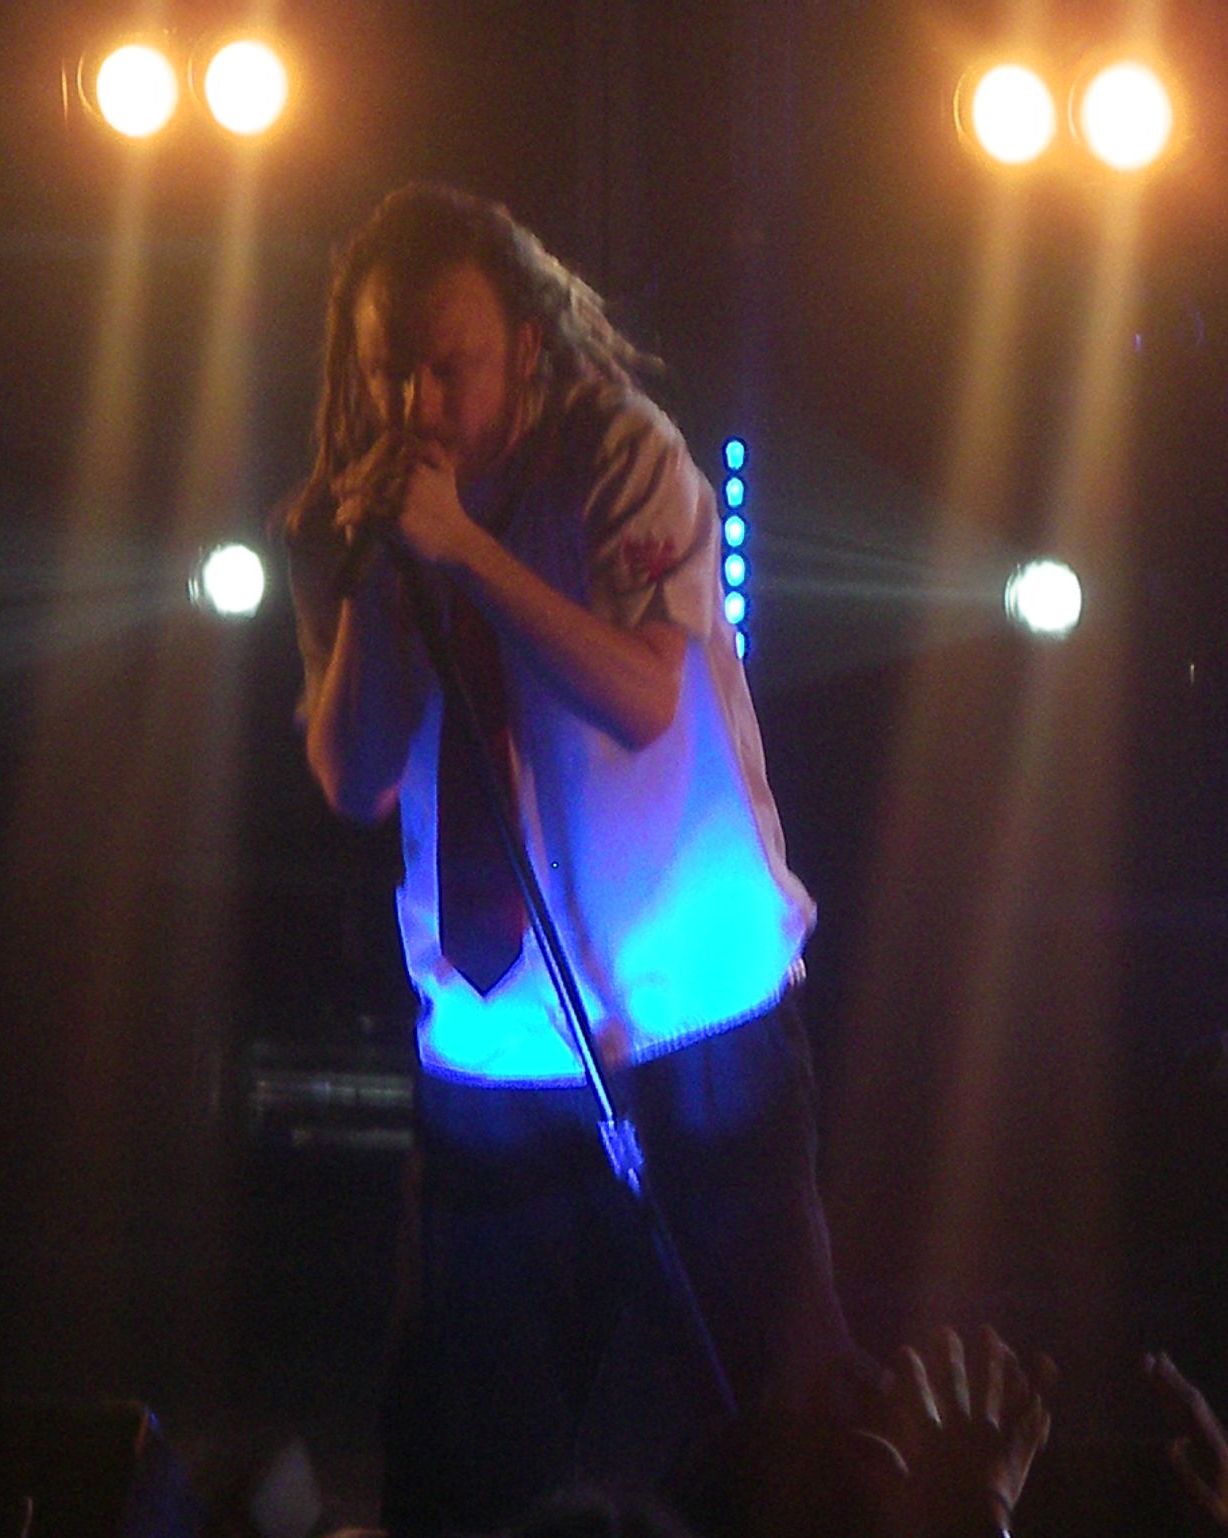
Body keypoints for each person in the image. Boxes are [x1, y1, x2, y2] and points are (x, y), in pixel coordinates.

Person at [282, 183, 848, 1536]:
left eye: (447, 366)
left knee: (774, 1415)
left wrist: (468, 553)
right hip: (495, 1041)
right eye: (387, 370)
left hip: (695, 1017)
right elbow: (355, 779)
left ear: (524, 349)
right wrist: (370, 579)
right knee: (465, 1439)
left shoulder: (623, 457)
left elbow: (644, 699)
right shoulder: (347, 522)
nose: (418, 403)